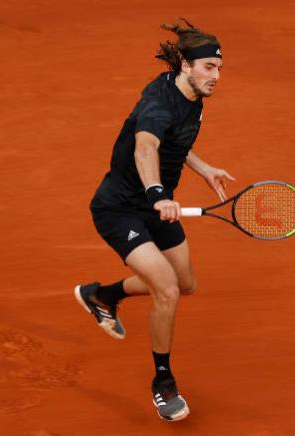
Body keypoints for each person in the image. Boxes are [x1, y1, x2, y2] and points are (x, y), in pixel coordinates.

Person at [74, 18, 233, 421]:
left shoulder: (191, 98)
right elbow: (146, 147)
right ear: (185, 65)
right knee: (167, 290)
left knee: (185, 282)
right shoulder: (158, 105)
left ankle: (103, 295)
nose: (216, 76)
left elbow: (176, 142)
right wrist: (158, 193)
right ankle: (163, 382)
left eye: (219, 68)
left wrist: (204, 168)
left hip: (156, 203)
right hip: (120, 207)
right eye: (209, 68)